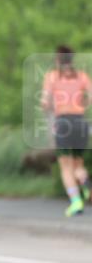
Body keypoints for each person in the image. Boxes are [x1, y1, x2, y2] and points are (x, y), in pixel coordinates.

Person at [40, 45, 91, 217]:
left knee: (65, 166)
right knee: (78, 164)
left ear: (57, 60)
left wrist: (50, 109)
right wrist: (82, 105)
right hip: (80, 121)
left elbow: (45, 103)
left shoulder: (52, 76)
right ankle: (85, 182)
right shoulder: (82, 76)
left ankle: (76, 202)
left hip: (63, 122)